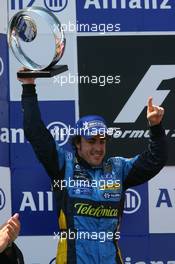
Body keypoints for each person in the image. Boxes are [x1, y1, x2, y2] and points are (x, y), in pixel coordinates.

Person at [19, 75, 167, 264]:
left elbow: (156, 159)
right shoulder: (64, 165)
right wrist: (29, 87)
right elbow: (35, 132)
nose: (98, 148)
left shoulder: (118, 168)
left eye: (102, 141)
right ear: (78, 144)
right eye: (91, 141)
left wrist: (155, 127)